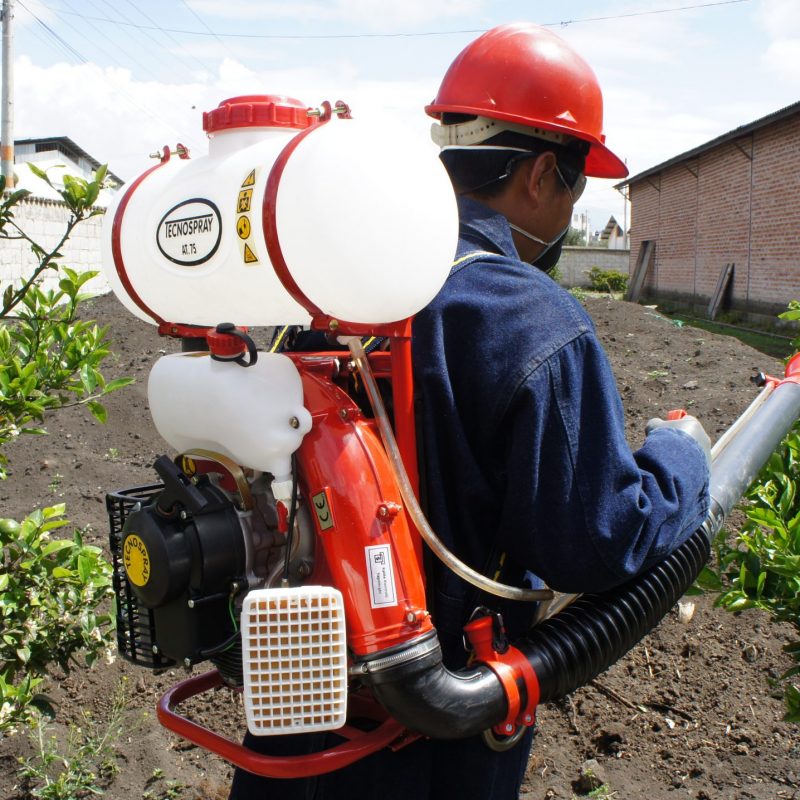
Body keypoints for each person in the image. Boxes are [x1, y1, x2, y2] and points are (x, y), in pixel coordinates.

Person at [229, 22, 710, 800]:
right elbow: (593, 543)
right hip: (433, 732)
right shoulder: (532, 318)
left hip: (297, 706)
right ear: (544, 174)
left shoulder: (326, 287)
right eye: (579, 187)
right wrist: (681, 454)